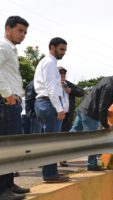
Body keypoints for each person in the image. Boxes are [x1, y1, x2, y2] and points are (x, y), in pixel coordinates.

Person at [70, 69, 113, 171]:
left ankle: (60, 154)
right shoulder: (110, 87)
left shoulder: (107, 79)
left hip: (83, 108)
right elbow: (102, 107)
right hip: (91, 113)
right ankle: (92, 164)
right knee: (94, 139)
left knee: (73, 133)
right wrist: (105, 124)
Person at [0, 15, 30, 200]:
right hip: (6, 102)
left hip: (13, 103)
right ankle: (2, 191)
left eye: (25, 32)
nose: (23, 35)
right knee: (6, 146)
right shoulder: (3, 46)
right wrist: (7, 94)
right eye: (20, 31)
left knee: (12, 145)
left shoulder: (10, 49)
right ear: (8, 29)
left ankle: (9, 184)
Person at [33, 37, 69, 183]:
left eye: (65, 50)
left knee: (48, 140)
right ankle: (49, 174)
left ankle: (51, 172)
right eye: (61, 49)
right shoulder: (49, 63)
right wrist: (59, 108)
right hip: (48, 103)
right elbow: (51, 89)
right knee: (51, 141)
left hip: (44, 103)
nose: (64, 53)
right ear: (52, 48)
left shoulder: (46, 62)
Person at [58, 66, 84, 167]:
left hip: (67, 116)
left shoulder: (68, 84)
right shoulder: (52, 83)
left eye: (64, 73)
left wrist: (71, 90)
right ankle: (48, 160)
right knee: (53, 137)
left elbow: (81, 92)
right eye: (60, 73)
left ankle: (62, 159)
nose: (62, 75)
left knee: (65, 138)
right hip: (56, 115)